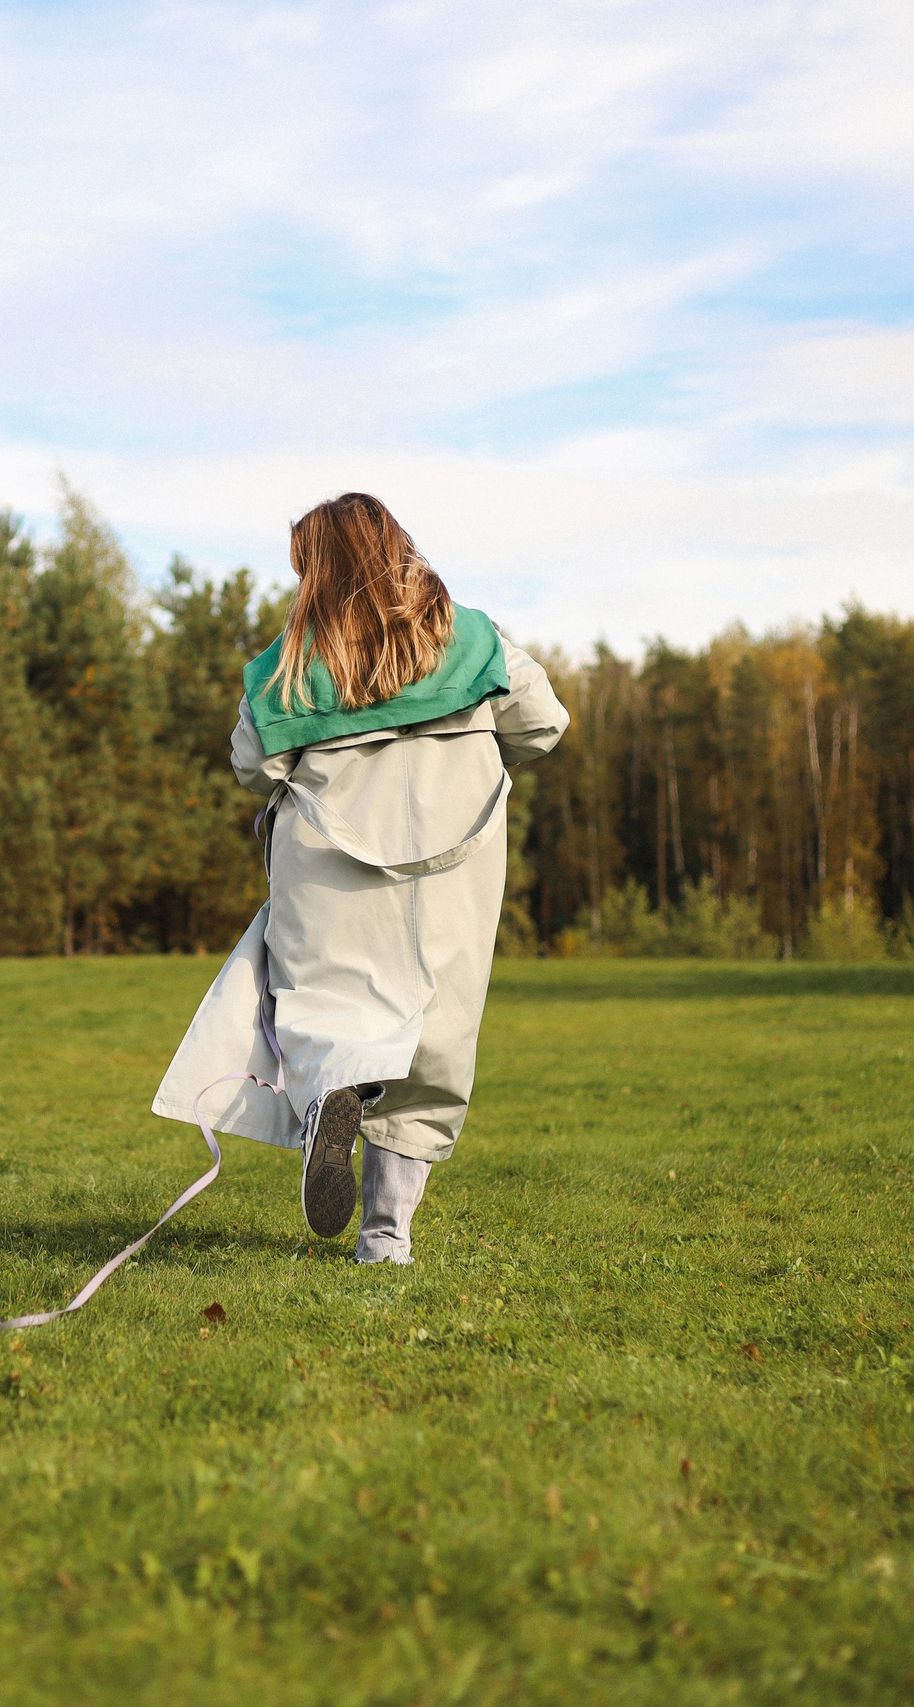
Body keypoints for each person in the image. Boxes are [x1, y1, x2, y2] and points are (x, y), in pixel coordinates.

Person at [152, 494, 568, 1263]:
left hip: (329, 871)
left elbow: (251, 765)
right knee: (434, 1052)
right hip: (452, 873)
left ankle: (334, 1100)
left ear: (318, 573)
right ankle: (386, 1238)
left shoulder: (288, 666)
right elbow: (544, 725)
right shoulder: (478, 638)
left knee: (326, 1014)